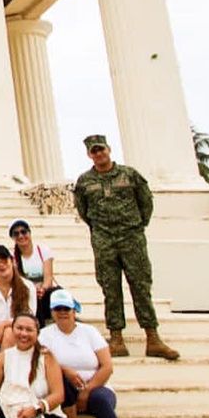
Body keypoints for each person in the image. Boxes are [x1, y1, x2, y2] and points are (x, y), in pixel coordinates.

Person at [73, 134, 180, 360]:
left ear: (109, 149)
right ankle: (116, 339)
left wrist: (136, 226)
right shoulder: (84, 181)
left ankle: (153, 337)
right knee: (110, 289)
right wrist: (101, 230)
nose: (99, 154)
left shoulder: (130, 175)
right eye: (94, 151)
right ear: (89, 154)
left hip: (131, 237)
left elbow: (146, 203)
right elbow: (84, 212)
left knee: (140, 287)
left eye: (101, 149)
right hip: (103, 239)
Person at [39, 289, 143, 418]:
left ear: (74, 310)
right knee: (62, 379)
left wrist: (87, 390)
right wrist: (66, 370)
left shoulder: (89, 332)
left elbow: (107, 366)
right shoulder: (45, 335)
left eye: (66, 308)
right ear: (52, 311)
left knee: (102, 400)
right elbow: (42, 364)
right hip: (64, 391)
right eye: (58, 308)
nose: (62, 312)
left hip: (95, 386)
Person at [9, 219, 57, 324]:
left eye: (23, 232)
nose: (21, 236)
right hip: (26, 291)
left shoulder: (43, 250)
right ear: (13, 238)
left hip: (45, 290)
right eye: (16, 234)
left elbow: (48, 277)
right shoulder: (12, 256)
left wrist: (42, 289)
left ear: (29, 233)